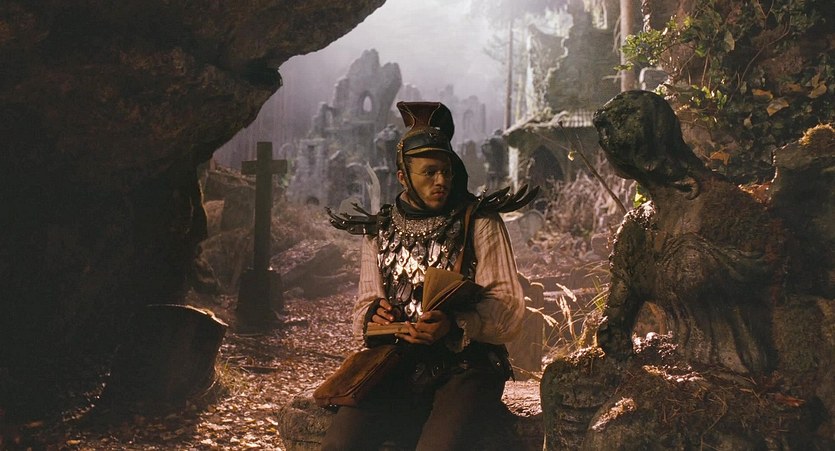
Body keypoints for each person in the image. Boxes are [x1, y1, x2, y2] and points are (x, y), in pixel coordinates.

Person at [323, 101, 537, 450]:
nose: (441, 181)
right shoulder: (379, 230)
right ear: (403, 177)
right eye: (429, 172)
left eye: (446, 171)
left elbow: (508, 307)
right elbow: (364, 304)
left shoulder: (479, 222)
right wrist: (374, 316)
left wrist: (456, 324)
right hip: (396, 364)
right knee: (339, 444)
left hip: (467, 368)